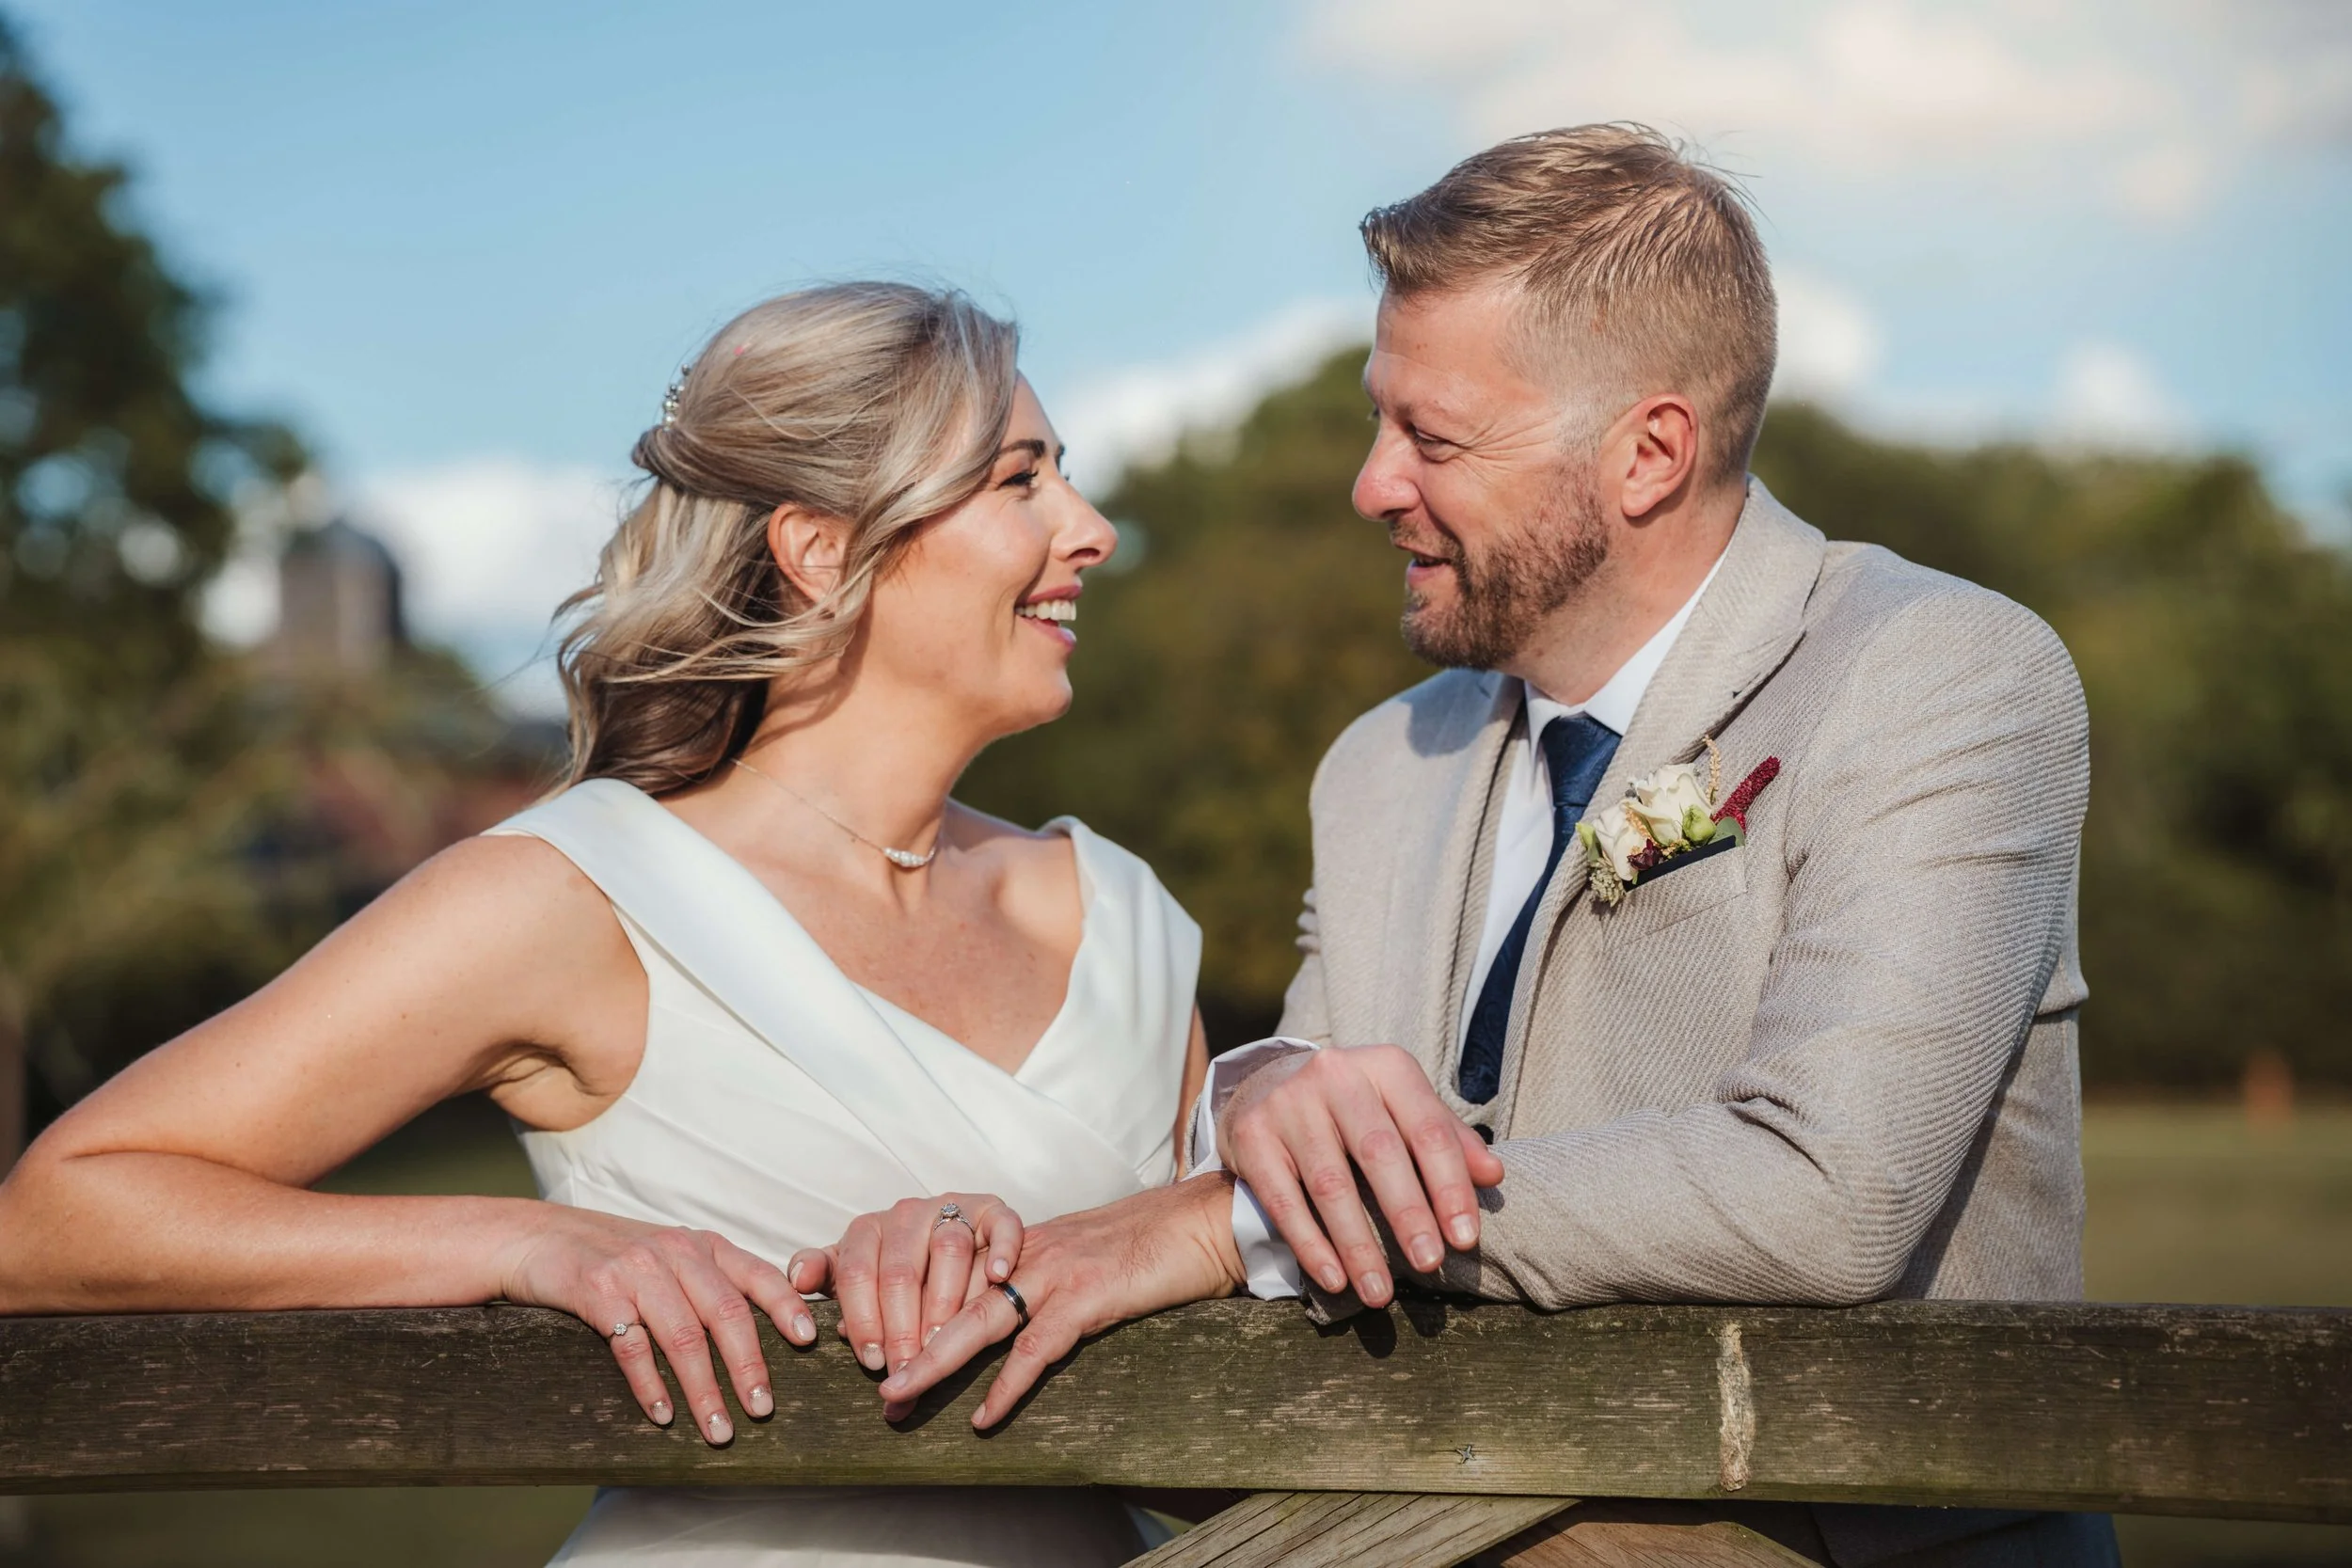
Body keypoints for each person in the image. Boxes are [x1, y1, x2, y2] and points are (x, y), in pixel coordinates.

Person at [883, 128, 2120, 1567]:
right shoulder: (1374, 768)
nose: (1370, 485)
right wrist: (1261, 1090)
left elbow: (1826, 1192)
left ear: (1649, 453)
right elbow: (1312, 1111)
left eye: (1434, 437)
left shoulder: (1942, 674)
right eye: (1377, 419)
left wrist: (1242, 1226)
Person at [0, 281, 1247, 1567]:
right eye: (1019, 481)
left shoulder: (1118, 919)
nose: (1090, 530)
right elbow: (55, 1218)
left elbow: (1248, 1391)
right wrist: (524, 1239)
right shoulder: (573, 891)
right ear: (822, 546)